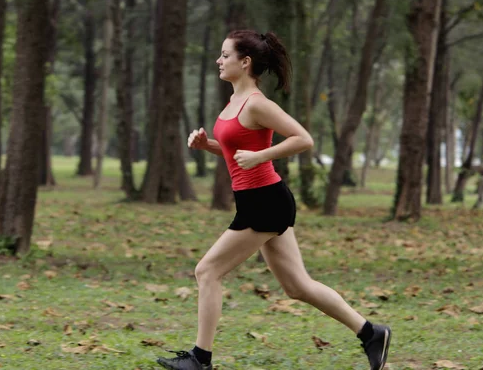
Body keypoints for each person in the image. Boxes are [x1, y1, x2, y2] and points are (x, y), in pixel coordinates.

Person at [156, 30, 391, 370]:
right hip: (260, 199)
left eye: (225, 55)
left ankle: (200, 359)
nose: (219, 61)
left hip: (264, 202)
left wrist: (262, 154)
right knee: (298, 286)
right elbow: (237, 151)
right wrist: (206, 145)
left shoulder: (258, 104)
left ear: (245, 62)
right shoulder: (235, 100)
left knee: (207, 271)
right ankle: (371, 333)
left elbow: (303, 139)